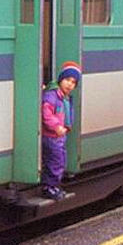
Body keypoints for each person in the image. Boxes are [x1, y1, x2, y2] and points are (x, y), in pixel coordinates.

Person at [40, 60, 81, 200]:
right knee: (55, 162)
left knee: (60, 161)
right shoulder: (52, 96)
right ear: (60, 80)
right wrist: (56, 126)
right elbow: (46, 114)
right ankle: (49, 187)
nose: (70, 84)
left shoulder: (65, 98)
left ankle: (53, 186)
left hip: (59, 136)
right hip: (51, 136)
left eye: (74, 82)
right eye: (67, 80)